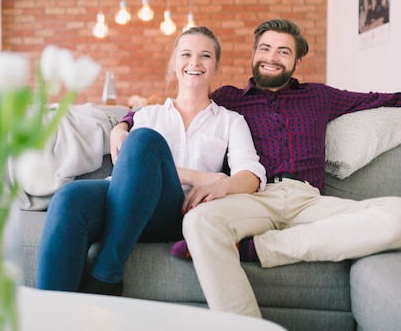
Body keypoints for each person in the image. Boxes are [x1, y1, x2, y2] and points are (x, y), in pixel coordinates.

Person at [111, 18, 401, 317]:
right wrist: (123, 124)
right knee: (198, 224)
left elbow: (380, 99)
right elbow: (179, 101)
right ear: (253, 54)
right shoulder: (229, 99)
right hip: (253, 197)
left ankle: (261, 248)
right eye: (265, 48)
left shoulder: (320, 95)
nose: (271, 57)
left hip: (308, 200)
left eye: (283, 51)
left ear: (297, 60)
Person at [36, 26, 266, 295]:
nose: (194, 62)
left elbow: (251, 174)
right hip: (123, 197)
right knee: (69, 196)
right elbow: (130, 171)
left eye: (205, 56)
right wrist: (200, 177)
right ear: (174, 63)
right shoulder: (148, 114)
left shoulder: (230, 121)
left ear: (216, 66)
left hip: (174, 210)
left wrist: (223, 185)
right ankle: (50, 315)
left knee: (145, 140)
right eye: (186, 54)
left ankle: (107, 273)